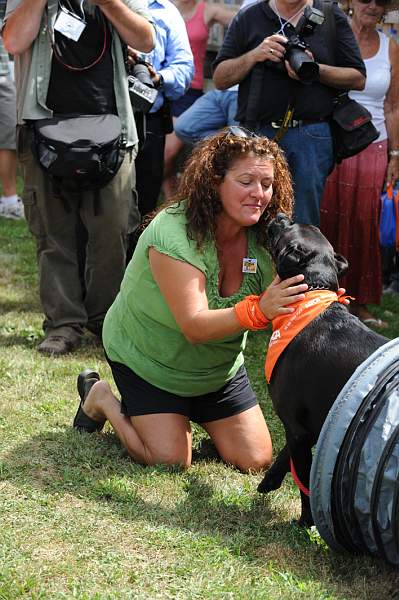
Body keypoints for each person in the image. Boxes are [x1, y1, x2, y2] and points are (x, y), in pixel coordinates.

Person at [73, 127, 309, 470]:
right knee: (169, 460)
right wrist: (259, 310)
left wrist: (320, 301)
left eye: (267, 184)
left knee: (256, 460)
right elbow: (194, 326)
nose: (259, 194)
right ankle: (102, 399)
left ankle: (190, 416)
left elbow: (292, 296)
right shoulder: (174, 233)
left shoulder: (266, 234)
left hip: (215, 372)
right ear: (215, 181)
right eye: (246, 182)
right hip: (149, 363)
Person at [2, 0, 155, 355]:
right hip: (41, 127)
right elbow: (13, 42)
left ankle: (107, 320)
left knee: (112, 231)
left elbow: (146, 39)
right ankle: (62, 325)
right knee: (53, 234)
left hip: (112, 130)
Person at [213, 0, 367, 227]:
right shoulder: (250, 15)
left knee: (302, 224)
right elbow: (220, 78)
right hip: (257, 136)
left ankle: (297, 264)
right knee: (250, 220)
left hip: (310, 136)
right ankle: (251, 264)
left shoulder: (329, 15)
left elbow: (358, 77)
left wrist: (314, 71)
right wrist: (255, 54)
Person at [320, 0, 399, 327]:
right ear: (350, 2)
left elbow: (393, 106)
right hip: (333, 139)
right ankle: (321, 296)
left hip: (374, 144)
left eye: (380, 0)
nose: (372, 5)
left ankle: (360, 303)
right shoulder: (331, 34)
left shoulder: (390, 46)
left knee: (364, 224)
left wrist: (396, 155)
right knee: (325, 217)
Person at [162, 0, 235, 198]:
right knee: (162, 156)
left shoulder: (208, 9)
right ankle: (167, 204)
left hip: (189, 92)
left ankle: (174, 203)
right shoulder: (163, 6)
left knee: (168, 153)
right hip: (161, 84)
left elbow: (242, 18)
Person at [130, 0, 194, 218]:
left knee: (144, 204)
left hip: (149, 122)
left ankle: (137, 250)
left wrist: (157, 77)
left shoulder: (166, 11)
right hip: (102, 120)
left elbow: (184, 69)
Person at [0, 36, 23, 219]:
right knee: (9, 136)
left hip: (6, 74)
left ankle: (9, 201)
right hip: (4, 78)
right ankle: (9, 202)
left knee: (9, 137)